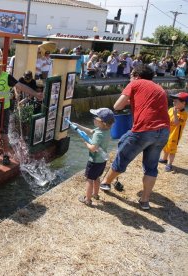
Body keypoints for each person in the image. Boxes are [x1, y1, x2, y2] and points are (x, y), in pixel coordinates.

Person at [100, 65, 170, 210]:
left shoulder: (135, 83)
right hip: (163, 131)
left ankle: (106, 182)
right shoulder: (159, 88)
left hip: (144, 129)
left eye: (131, 75)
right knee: (151, 167)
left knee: (123, 157)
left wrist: (127, 98)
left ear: (137, 75)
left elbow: (117, 106)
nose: (129, 77)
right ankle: (144, 201)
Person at [0, 57, 43, 164]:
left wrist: (36, 94)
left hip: (3, 109)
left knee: (3, 133)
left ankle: (6, 155)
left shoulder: (7, 77)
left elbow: (21, 86)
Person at [73, 108, 115, 206]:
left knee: (89, 179)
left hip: (94, 161)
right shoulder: (105, 130)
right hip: (102, 161)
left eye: (96, 117)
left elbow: (93, 148)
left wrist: (86, 143)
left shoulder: (99, 134)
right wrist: (78, 126)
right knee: (96, 177)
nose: (94, 119)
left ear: (102, 122)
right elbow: (91, 131)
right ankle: (95, 195)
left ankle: (87, 200)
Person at [159, 92, 188, 172]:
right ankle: (164, 159)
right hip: (167, 132)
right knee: (165, 147)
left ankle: (169, 164)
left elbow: (177, 123)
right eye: (173, 101)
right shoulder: (171, 109)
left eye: (176, 101)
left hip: (174, 135)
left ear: (183, 103)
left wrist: (175, 115)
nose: (173, 102)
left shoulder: (184, 114)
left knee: (172, 150)